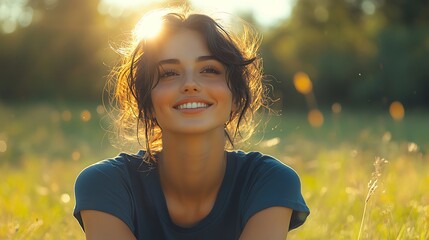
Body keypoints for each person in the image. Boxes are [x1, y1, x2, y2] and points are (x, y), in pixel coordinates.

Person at [73, 9, 309, 240]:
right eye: (169, 73)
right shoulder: (105, 184)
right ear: (147, 104)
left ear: (236, 97)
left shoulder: (270, 181)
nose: (190, 84)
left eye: (209, 70)